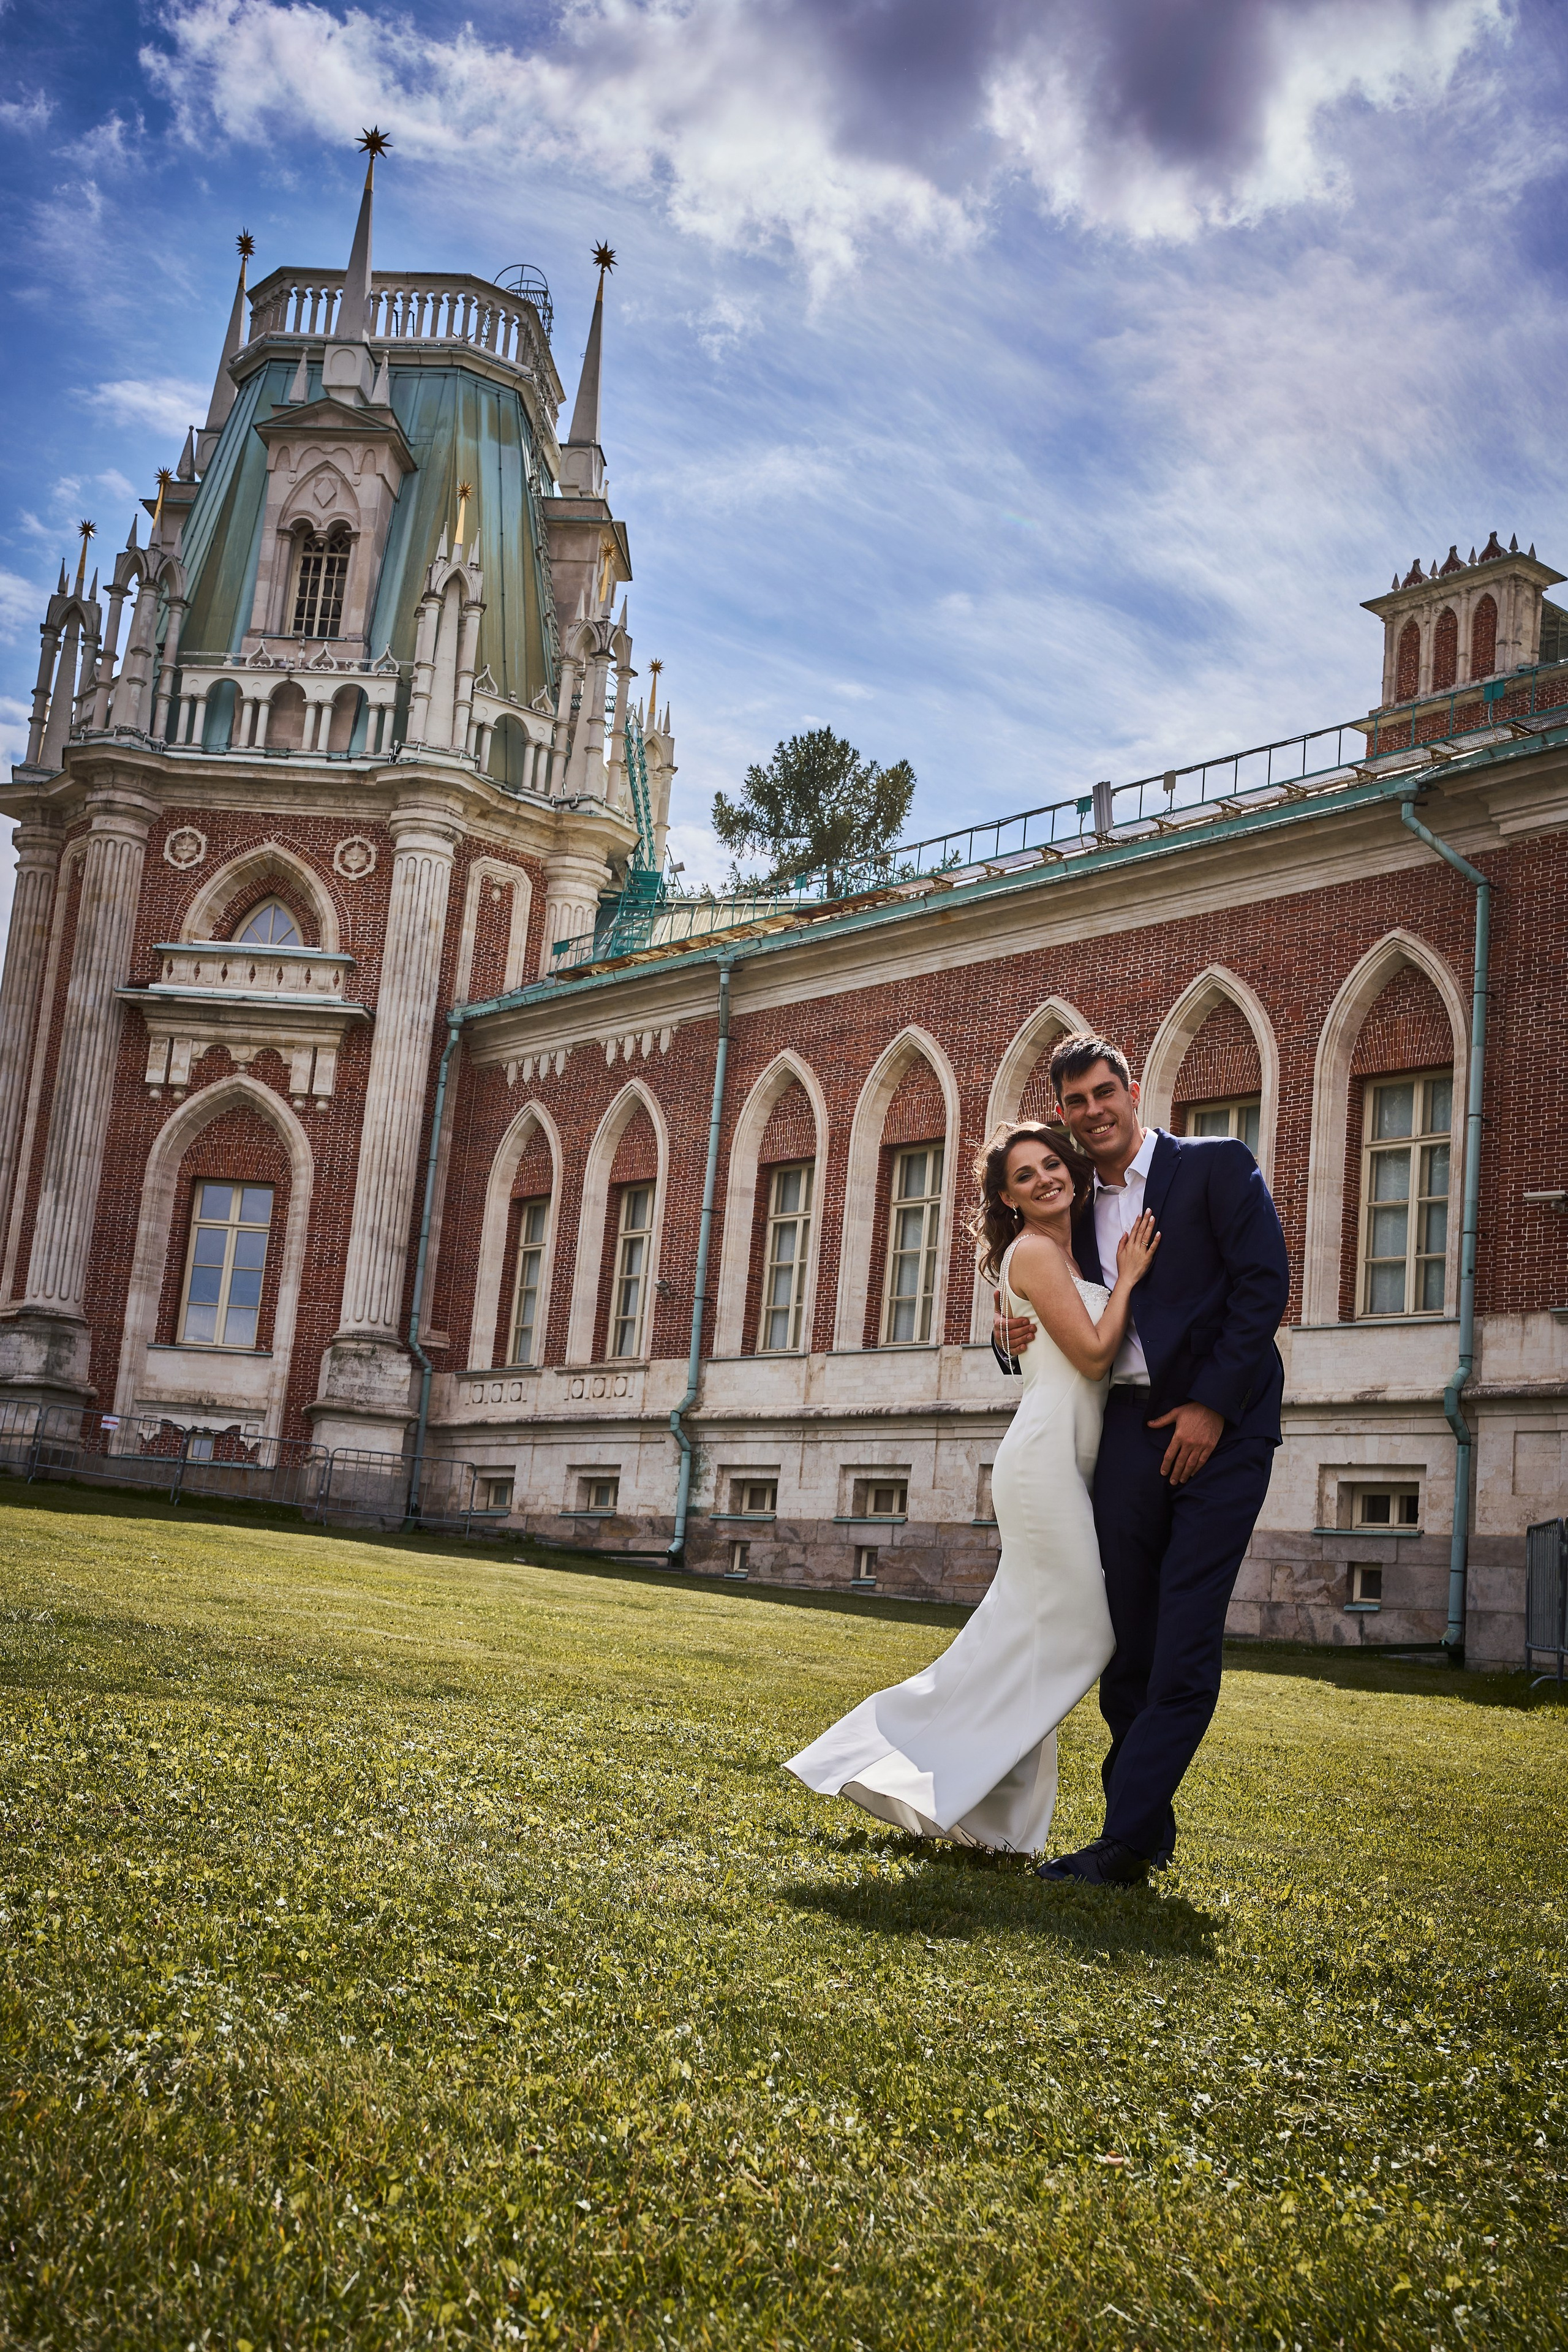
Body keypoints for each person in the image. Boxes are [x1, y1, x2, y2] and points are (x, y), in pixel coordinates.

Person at [784, 1122, 1159, 1853]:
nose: (1046, 1178)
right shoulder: (1037, 1251)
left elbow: (1045, 1342)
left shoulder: (1065, 1251)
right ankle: (895, 1751)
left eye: (1053, 1163)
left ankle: (992, 1823)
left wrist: (1016, 1330)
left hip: (1069, 1459)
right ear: (1005, 1197)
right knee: (1085, 1630)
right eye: (1025, 1175)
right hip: (1044, 1460)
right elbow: (1090, 1356)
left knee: (1027, 1636)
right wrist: (1132, 1279)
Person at [993, 1033, 1290, 1885]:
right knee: (1126, 1640)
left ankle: (1122, 1839)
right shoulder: (1073, 1203)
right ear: (1063, 1115)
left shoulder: (1215, 1165)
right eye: (1077, 1102)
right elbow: (1048, 1303)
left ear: (1132, 1090)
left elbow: (1262, 1284)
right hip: (1121, 1429)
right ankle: (1144, 1826)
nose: (1094, 1112)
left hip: (1224, 1430)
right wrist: (1005, 1339)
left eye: (1104, 1093)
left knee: (1186, 1634)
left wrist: (1212, 1407)